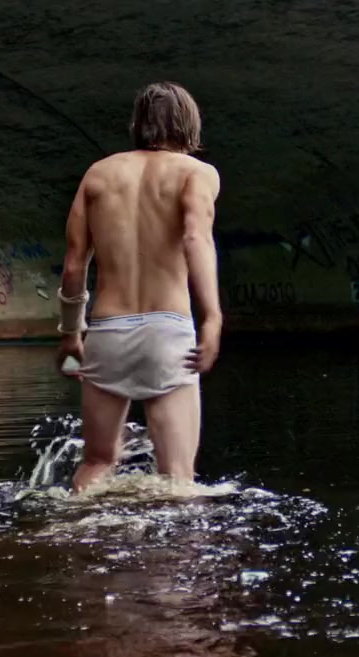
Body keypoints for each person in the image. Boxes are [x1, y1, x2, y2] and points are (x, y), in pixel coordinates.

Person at [55, 81, 222, 492]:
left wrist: (71, 334)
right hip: (168, 332)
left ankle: (75, 524)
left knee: (96, 463)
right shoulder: (197, 174)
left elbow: (74, 266)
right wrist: (213, 318)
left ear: (137, 124)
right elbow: (196, 239)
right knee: (178, 478)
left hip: (107, 332)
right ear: (189, 125)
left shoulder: (98, 174)